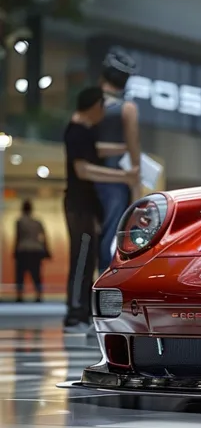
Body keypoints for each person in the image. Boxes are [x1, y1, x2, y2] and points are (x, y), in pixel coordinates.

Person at [64, 86, 139, 332]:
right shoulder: (76, 131)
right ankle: (75, 314)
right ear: (96, 106)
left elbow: (96, 150)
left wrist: (126, 148)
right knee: (82, 259)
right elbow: (83, 169)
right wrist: (123, 176)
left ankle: (83, 313)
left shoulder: (85, 132)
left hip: (88, 205)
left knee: (88, 258)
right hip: (79, 205)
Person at [94, 47, 141, 272]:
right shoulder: (127, 109)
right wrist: (136, 185)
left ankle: (80, 299)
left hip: (88, 177)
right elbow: (133, 151)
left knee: (88, 235)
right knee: (112, 233)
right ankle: (106, 286)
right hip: (116, 181)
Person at [13, 199, 48, 303]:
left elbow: (18, 237)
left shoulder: (19, 222)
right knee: (36, 274)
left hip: (23, 249)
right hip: (35, 249)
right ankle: (38, 295)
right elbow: (44, 237)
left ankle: (19, 296)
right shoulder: (37, 222)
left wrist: (15, 250)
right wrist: (46, 249)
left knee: (20, 274)